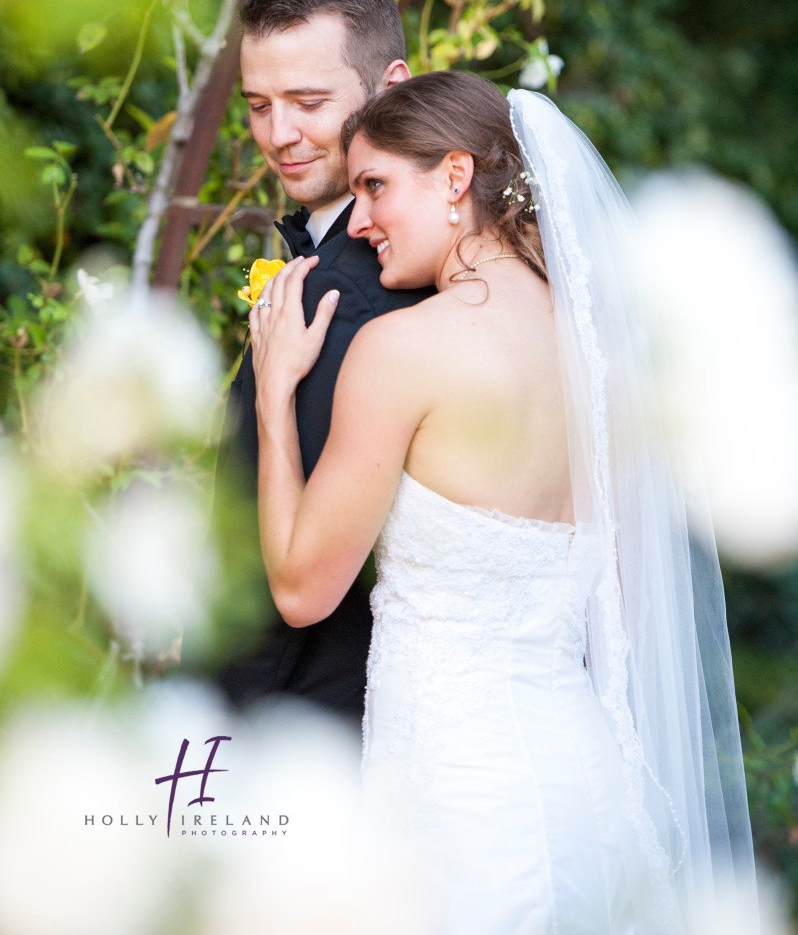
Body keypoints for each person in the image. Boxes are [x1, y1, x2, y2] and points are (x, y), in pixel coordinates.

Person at [248, 72, 757, 933]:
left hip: (456, 810)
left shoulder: (401, 349)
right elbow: (626, 613)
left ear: (454, 179)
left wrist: (273, 399)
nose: (361, 219)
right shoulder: (610, 372)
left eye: (375, 186)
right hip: (589, 791)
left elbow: (303, 590)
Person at [213, 0, 433, 720]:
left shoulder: (353, 292)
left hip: (303, 714)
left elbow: (294, 578)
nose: (279, 135)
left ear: (389, 85)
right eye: (258, 106)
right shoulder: (386, 261)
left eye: (308, 103)